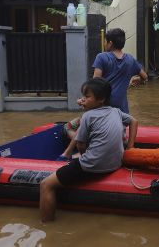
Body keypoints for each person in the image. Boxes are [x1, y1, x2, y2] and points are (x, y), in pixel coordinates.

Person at [39, 78, 138, 222]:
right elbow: (134, 121)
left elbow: (80, 144)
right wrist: (130, 147)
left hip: (94, 165)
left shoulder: (88, 116)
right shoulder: (116, 111)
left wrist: (84, 157)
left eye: (87, 97)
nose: (83, 100)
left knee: (46, 185)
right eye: (83, 97)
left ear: (101, 99)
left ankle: (46, 225)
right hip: (116, 163)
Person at [92, 28, 147, 114]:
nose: (104, 44)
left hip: (104, 107)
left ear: (110, 43)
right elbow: (144, 76)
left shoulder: (101, 57)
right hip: (122, 109)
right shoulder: (130, 60)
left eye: (105, 41)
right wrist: (138, 79)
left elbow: (94, 84)